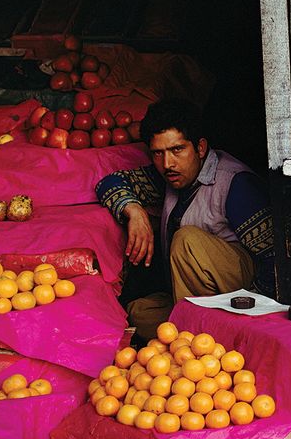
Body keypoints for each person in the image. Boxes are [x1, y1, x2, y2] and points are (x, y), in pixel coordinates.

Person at [96, 98, 274, 339]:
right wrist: (134, 211)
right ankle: (197, 328)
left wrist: (251, 318)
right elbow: (109, 182)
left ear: (200, 148)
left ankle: (200, 341)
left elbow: (274, 264)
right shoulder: (169, 176)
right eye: (158, 153)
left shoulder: (235, 184)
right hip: (198, 299)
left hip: (241, 299)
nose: (167, 163)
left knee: (186, 240)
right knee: (139, 313)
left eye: (177, 150)